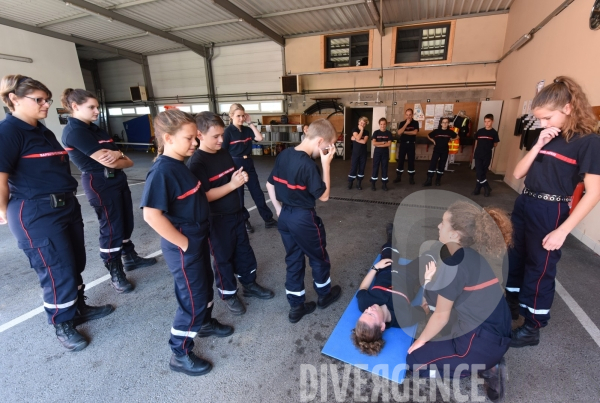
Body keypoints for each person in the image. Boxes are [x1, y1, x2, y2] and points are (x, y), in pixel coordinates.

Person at [0, 75, 113, 351]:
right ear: (14, 99)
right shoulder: (8, 133)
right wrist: (2, 211)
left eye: (47, 100)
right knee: (55, 268)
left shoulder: (43, 131)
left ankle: (78, 307)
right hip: (36, 212)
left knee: (74, 261)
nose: (46, 105)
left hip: (64, 205)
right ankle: (62, 322)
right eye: (39, 100)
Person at [507, 76, 600, 348]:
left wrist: (563, 230)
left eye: (547, 117)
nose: (543, 123)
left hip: (551, 208)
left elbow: (594, 192)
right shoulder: (547, 135)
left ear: (568, 108)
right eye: (540, 119)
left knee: (540, 267)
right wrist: (538, 143)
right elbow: (517, 172)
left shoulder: (589, 142)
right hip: (525, 202)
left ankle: (531, 328)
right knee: (515, 257)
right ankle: (511, 305)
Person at [141, 110, 233, 376]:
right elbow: (151, 215)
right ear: (168, 138)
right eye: (190, 138)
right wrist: (184, 243)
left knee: (204, 287)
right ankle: (179, 352)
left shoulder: (179, 163)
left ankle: (203, 323)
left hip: (196, 238)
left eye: (195, 137)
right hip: (185, 244)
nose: (195, 142)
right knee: (192, 299)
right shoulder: (162, 171)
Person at [406, 202, 513, 403]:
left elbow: (440, 315)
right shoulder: (472, 253)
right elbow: (437, 297)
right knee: (439, 313)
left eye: (443, 223)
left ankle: (487, 367)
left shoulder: (454, 262)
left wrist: (420, 342)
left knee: (413, 362)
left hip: (482, 342)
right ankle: (485, 360)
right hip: (500, 329)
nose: (439, 226)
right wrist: (430, 283)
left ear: (455, 235)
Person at [61, 89, 156, 294]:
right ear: (75, 107)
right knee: (111, 228)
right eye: (91, 107)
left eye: (97, 107)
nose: (97, 111)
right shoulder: (75, 132)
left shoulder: (96, 130)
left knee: (125, 222)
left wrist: (117, 155)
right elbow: (105, 159)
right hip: (100, 183)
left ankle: (129, 257)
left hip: (117, 180)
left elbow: (127, 161)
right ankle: (115, 270)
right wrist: (117, 155)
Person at [187, 112, 274, 316]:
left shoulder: (223, 152)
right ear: (199, 135)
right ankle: (229, 294)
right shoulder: (197, 163)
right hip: (217, 220)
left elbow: (231, 175)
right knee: (223, 258)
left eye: (222, 135)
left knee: (243, 251)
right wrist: (233, 184)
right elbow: (204, 196)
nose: (221, 140)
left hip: (236, 213)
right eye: (215, 136)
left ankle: (249, 284)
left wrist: (239, 176)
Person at [266, 119, 342, 323]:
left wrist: (278, 209)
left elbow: (269, 183)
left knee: (293, 260)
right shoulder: (309, 165)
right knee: (318, 257)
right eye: (327, 146)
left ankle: (296, 307)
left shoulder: (284, 154)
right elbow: (324, 196)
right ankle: (324, 295)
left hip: (286, 217)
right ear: (319, 141)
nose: (327, 151)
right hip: (303, 219)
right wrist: (326, 165)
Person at [351, 225, 430, 356]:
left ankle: (391, 238)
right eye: (371, 314)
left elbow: (363, 288)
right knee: (430, 257)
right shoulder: (404, 319)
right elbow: (425, 308)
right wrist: (427, 281)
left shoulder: (364, 303)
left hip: (387, 269)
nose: (369, 309)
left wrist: (375, 268)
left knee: (388, 249)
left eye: (365, 312)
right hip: (409, 277)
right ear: (382, 326)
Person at [222, 103, 277, 233]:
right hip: (235, 165)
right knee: (239, 196)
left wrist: (250, 122)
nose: (241, 118)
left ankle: (268, 219)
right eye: (238, 116)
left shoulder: (246, 130)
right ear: (231, 116)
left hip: (249, 163)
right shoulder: (228, 132)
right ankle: (244, 220)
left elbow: (259, 137)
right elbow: (223, 152)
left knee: (257, 193)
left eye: (242, 116)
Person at [423, 117, 457, 187]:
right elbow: (428, 135)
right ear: (441, 123)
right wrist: (433, 141)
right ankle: (429, 180)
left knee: (442, 165)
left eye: (446, 122)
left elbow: (457, 137)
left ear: (448, 124)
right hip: (437, 150)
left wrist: (451, 139)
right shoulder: (436, 131)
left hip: (444, 151)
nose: (445, 124)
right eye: (443, 122)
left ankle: (438, 179)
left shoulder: (450, 132)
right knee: (432, 164)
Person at [472, 114, 499, 197]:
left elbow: (495, 144)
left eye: (489, 121)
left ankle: (478, 188)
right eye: (485, 122)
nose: (487, 123)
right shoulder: (480, 131)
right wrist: (474, 151)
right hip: (478, 154)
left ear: (492, 121)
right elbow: (476, 142)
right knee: (479, 171)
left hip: (487, 154)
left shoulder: (494, 133)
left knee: (483, 172)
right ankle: (487, 187)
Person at [393, 108, 420, 184]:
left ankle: (411, 178)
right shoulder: (402, 123)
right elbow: (399, 132)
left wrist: (404, 132)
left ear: (412, 115)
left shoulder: (415, 123)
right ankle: (398, 177)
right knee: (400, 160)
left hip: (411, 144)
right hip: (403, 144)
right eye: (407, 115)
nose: (408, 116)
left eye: (410, 115)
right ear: (405, 115)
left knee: (411, 161)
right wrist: (406, 124)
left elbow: (415, 132)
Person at [347, 116, 370, 190]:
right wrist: (361, 132)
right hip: (355, 153)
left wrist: (355, 139)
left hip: (363, 153)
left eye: (364, 123)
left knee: (362, 168)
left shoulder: (367, 132)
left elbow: (364, 141)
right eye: (361, 122)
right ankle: (350, 182)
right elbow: (359, 138)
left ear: (366, 124)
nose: (362, 124)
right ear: (358, 122)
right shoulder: (355, 129)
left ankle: (359, 183)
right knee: (353, 168)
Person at [370, 118, 392, 191]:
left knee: (384, 168)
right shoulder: (376, 132)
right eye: (381, 124)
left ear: (386, 124)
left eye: (384, 124)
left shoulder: (388, 133)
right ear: (379, 124)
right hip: (377, 153)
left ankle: (384, 184)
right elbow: (373, 143)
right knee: (375, 167)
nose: (382, 126)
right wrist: (383, 143)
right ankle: (373, 183)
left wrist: (378, 144)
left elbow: (389, 144)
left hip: (385, 153)